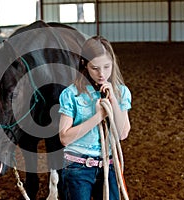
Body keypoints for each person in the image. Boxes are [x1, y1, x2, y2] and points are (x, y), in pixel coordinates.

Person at [58, 36, 131, 200]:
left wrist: (113, 99)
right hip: (77, 167)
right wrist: (98, 116)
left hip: (109, 166)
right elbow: (64, 137)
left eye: (107, 67)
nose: (102, 74)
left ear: (113, 62)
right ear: (84, 65)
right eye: (95, 68)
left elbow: (122, 133)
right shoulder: (71, 94)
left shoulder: (121, 92)